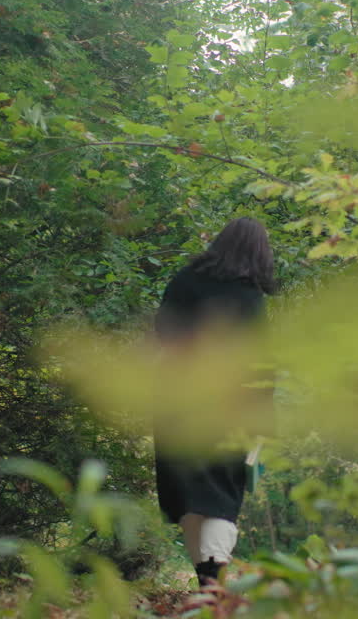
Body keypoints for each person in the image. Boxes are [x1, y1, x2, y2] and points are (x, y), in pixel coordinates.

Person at [153, 217, 277, 589]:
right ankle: (213, 579)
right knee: (220, 495)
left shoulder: (184, 281)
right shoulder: (250, 297)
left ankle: (206, 580)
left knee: (187, 494)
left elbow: (163, 331)